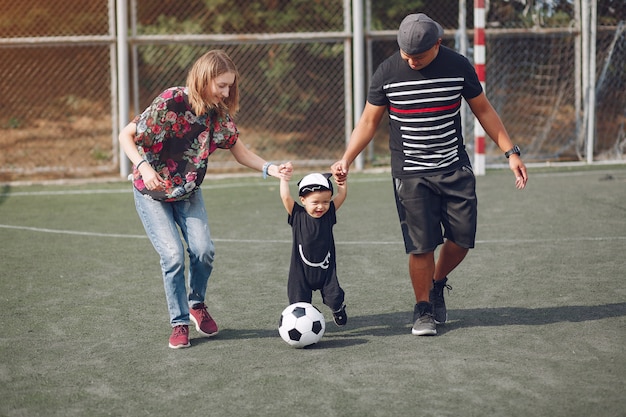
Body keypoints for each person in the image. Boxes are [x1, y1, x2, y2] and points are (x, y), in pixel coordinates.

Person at [331, 13, 528, 336]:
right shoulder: (387, 72)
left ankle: (437, 283)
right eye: (406, 55)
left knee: (462, 239)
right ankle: (423, 308)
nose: (411, 61)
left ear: (438, 43)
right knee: (420, 246)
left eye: (418, 56)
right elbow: (368, 122)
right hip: (410, 173)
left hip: (453, 166)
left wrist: (511, 152)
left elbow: (483, 110)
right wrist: (346, 158)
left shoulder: (459, 66)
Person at [119, 49, 293, 349]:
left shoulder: (217, 113)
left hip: (187, 191)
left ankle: (196, 303)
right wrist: (144, 167)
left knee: (203, 251)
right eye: (221, 85)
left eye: (230, 86)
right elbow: (126, 135)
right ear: (203, 79)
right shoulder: (171, 101)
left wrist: (270, 168)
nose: (226, 93)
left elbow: (240, 150)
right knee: (173, 256)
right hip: (152, 192)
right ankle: (179, 322)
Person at [280, 172, 348, 325]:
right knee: (298, 301)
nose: (321, 206)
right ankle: (301, 324)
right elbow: (285, 198)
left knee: (334, 296)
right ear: (303, 200)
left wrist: (341, 183)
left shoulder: (329, 215)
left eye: (326, 201)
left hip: (326, 269)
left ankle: (337, 309)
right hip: (301, 272)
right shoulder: (297, 215)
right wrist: (283, 180)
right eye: (315, 202)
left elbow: (341, 196)